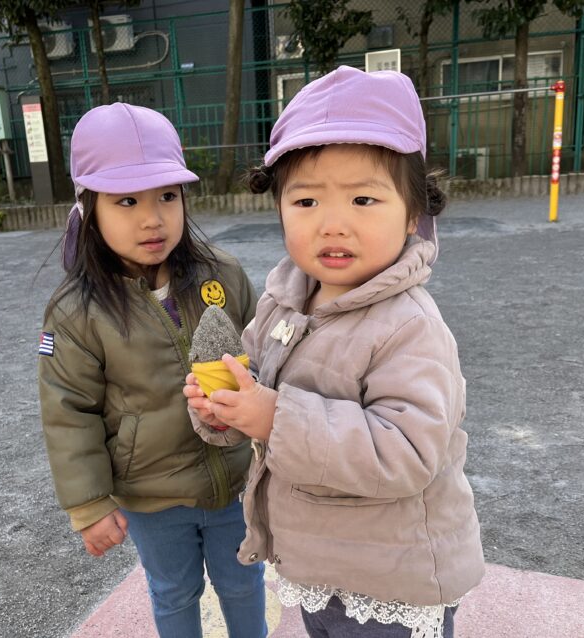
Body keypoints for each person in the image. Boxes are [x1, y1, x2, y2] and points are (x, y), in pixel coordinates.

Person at [184, 66, 485, 638]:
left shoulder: (409, 326)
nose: (333, 224)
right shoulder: (283, 301)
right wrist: (221, 408)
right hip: (320, 565)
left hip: (394, 578)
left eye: (364, 198)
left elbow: (406, 452)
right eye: (305, 202)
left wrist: (272, 415)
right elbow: (251, 392)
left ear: (415, 213)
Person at [39, 103, 266, 638]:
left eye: (167, 195)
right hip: (151, 494)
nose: (152, 217)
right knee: (173, 592)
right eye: (126, 201)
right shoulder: (77, 310)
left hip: (234, 478)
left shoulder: (223, 275)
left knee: (243, 582)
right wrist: (90, 504)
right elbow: (69, 412)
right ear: (88, 207)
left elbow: (267, 358)